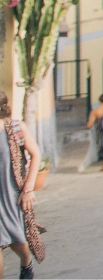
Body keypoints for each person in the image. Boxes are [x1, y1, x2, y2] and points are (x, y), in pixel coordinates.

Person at [0, 91, 41, 278]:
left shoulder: (15, 127)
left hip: (10, 192)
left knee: (18, 241)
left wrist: (28, 188)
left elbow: (36, 155)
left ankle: (26, 262)